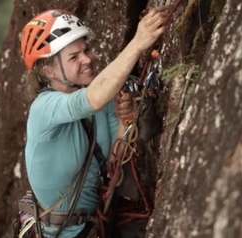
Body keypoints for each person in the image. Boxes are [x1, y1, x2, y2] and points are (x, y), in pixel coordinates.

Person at [20, 6, 169, 238]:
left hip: (92, 226)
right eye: (74, 57)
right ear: (49, 71)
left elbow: (115, 160)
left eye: (86, 50)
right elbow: (93, 99)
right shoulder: (43, 109)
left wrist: (125, 118)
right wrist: (138, 42)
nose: (87, 59)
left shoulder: (101, 103)